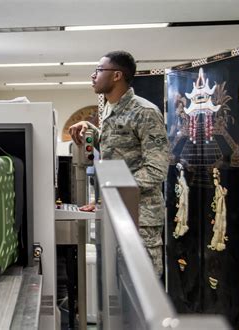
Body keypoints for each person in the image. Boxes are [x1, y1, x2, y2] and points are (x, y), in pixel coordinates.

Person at [69, 51, 169, 277]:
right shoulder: (109, 108)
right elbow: (116, 148)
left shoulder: (144, 112)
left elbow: (156, 170)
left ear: (116, 75)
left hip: (141, 218)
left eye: (98, 70)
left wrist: (111, 191)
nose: (93, 76)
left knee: (142, 290)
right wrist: (89, 128)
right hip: (116, 213)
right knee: (116, 290)